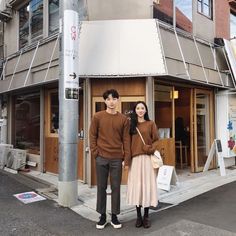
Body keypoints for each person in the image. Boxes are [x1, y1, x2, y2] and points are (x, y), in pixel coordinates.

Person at [89, 89, 131, 230]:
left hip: (116, 159)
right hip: (101, 157)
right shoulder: (97, 117)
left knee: (116, 187)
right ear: (105, 101)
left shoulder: (124, 119)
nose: (111, 102)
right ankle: (102, 216)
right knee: (101, 187)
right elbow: (92, 136)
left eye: (114, 99)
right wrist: (95, 153)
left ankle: (114, 216)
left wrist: (126, 157)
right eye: (108, 99)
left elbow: (126, 140)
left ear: (118, 100)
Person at [127, 101, 159, 229]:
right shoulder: (131, 125)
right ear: (135, 110)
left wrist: (150, 149)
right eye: (138, 108)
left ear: (145, 110)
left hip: (147, 159)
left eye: (142, 108)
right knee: (137, 187)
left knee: (147, 186)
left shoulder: (151, 124)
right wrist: (127, 160)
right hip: (135, 160)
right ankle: (138, 216)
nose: (140, 110)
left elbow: (156, 140)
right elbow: (127, 144)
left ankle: (146, 216)